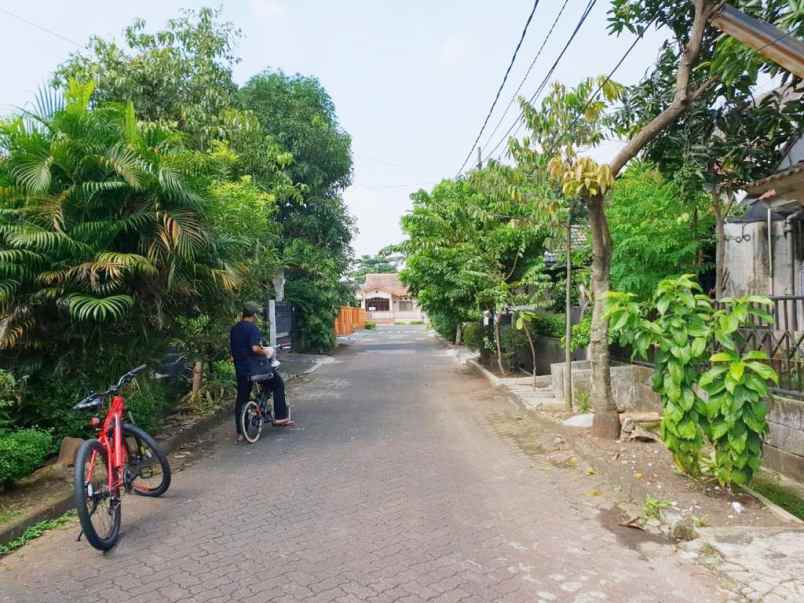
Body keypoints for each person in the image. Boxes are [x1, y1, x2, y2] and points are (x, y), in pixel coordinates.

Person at [229, 302, 292, 442]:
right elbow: (255, 348)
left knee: (242, 398)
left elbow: (233, 352)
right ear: (254, 315)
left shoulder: (234, 329)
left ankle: (240, 432)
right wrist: (267, 351)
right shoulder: (252, 328)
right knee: (278, 384)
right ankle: (281, 418)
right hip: (256, 368)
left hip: (241, 369)